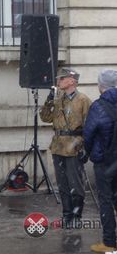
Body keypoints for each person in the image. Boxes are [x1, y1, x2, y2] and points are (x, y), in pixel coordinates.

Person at [40, 67, 91, 228]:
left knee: (76, 185)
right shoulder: (57, 99)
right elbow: (45, 117)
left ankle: (76, 216)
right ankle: (67, 215)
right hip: (58, 146)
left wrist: (86, 149)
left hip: (74, 146)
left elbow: (90, 126)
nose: (58, 81)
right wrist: (49, 100)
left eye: (61, 79)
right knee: (62, 185)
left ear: (71, 81)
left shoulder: (83, 100)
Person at [83, 69, 117, 253]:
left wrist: (88, 153)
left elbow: (88, 134)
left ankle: (110, 242)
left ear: (100, 85)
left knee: (105, 201)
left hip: (104, 162)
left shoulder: (98, 106)